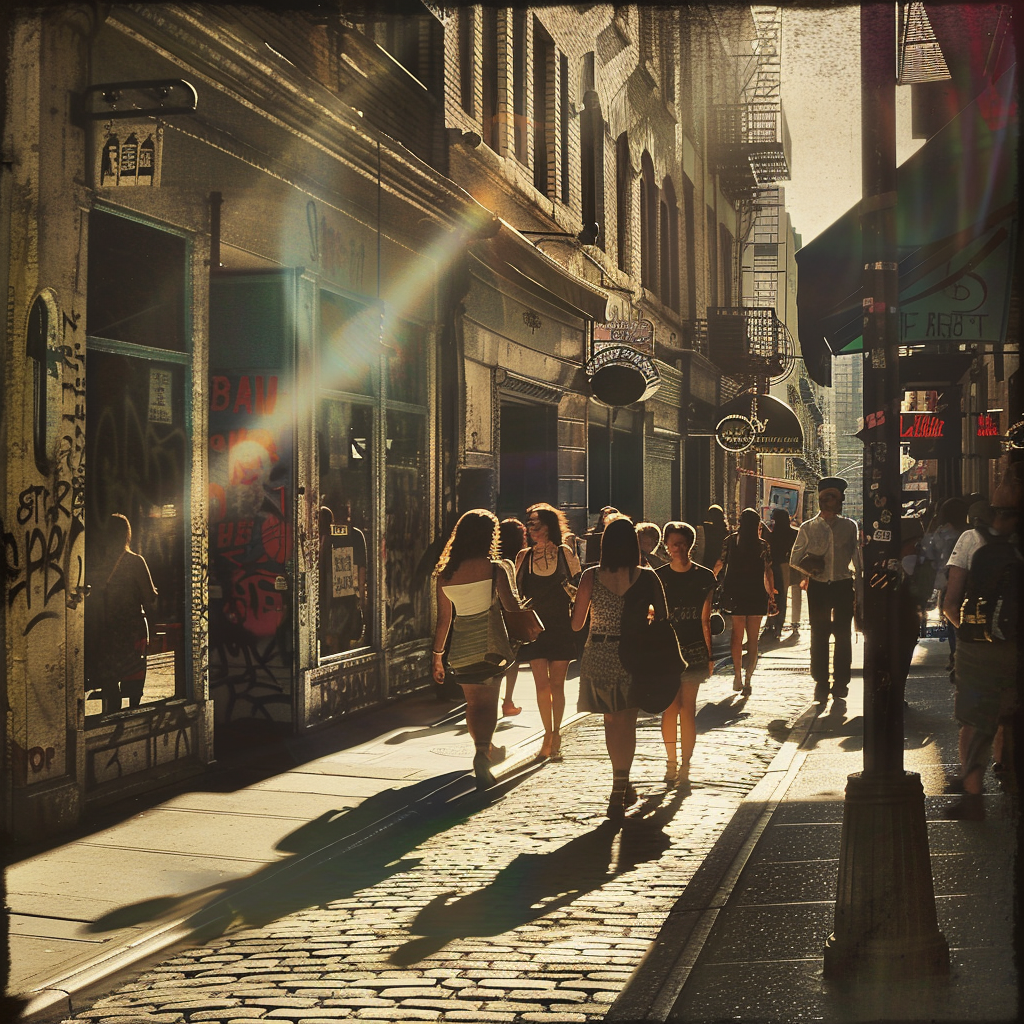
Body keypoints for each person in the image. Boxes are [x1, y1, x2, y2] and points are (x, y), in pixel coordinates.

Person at [572, 515, 668, 820]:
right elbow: (664, 619)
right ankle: (620, 786)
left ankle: (621, 784)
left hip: (599, 652)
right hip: (633, 654)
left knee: (611, 724)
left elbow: (576, 624)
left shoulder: (590, 577)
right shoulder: (648, 577)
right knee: (627, 724)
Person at [941, 478, 1021, 820]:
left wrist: (975, 630)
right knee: (1010, 714)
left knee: (973, 720)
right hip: (1017, 646)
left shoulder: (971, 540)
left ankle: (974, 795)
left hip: (977, 647)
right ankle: (1006, 769)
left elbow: (950, 603)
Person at [432, 510, 522, 789]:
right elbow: (511, 607)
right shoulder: (493, 568)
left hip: (460, 649)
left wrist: (437, 658)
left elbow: (444, 620)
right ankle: (482, 753)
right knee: (489, 702)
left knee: (473, 704)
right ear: (489, 537)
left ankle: (485, 750)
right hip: (490, 647)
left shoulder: (444, 574)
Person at [515, 502, 582, 760]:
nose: (531, 527)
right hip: (534, 627)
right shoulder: (524, 556)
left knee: (557, 684)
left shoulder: (565, 552)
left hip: (560, 625)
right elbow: (515, 592)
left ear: (549, 525)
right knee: (541, 685)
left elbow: (579, 585)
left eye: (536, 523)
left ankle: (556, 732)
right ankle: (547, 734)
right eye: (529, 523)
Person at [790, 476, 864, 704]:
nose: (830, 502)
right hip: (819, 588)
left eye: (833, 498)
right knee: (819, 635)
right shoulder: (808, 528)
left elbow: (858, 562)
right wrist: (811, 569)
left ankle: (841, 683)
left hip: (843, 585)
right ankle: (821, 682)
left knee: (843, 636)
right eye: (826, 498)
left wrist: (859, 592)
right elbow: (794, 558)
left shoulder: (849, 526)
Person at [656, 522, 716, 790]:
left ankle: (685, 765)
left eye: (682, 543)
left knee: (687, 709)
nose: (678, 548)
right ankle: (672, 764)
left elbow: (706, 620)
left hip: (693, 648)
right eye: (673, 543)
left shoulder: (705, 577)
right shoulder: (657, 577)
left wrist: (710, 655)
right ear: (666, 545)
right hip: (665, 650)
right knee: (670, 708)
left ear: (690, 545)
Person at [91, 513, 158, 714]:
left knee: (110, 681)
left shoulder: (98, 564)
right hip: (131, 630)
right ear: (127, 535)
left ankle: (110, 715)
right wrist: (154, 593)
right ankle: (131, 720)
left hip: (107, 630)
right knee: (134, 678)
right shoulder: (135, 561)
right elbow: (149, 598)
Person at [714, 508, 775, 696]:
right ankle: (748, 679)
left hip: (736, 593)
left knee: (736, 637)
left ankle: (737, 677)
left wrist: (710, 580)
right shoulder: (762, 545)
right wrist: (772, 595)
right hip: (756, 593)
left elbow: (720, 563)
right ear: (757, 524)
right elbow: (768, 571)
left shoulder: (731, 541)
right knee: (753, 639)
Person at [922, 497, 969, 672]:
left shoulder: (941, 533)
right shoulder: (970, 533)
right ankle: (960, 654)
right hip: (968, 580)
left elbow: (929, 554)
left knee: (951, 618)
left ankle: (955, 655)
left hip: (947, 580)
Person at [318, 502, 368, 655]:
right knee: (341, 636)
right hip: (345, 594)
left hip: (333, 594)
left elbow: (319, 563)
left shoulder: (328, 537)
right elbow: (361, 568)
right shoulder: (356, 535)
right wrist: (361, 596)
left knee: (333, 636)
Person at [498, 517, 528, 717]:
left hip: (493, 612)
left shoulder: (493, 559)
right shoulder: (515, 560)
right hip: (510, 614)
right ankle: (507, 699)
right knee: (513, 658)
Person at [765, 508, 798, 639]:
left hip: (773, 566)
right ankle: (779, 625)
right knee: (783, 596)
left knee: (773, 594)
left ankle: (771, 622)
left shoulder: (771, 534)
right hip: (786, 566)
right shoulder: (794, 533)